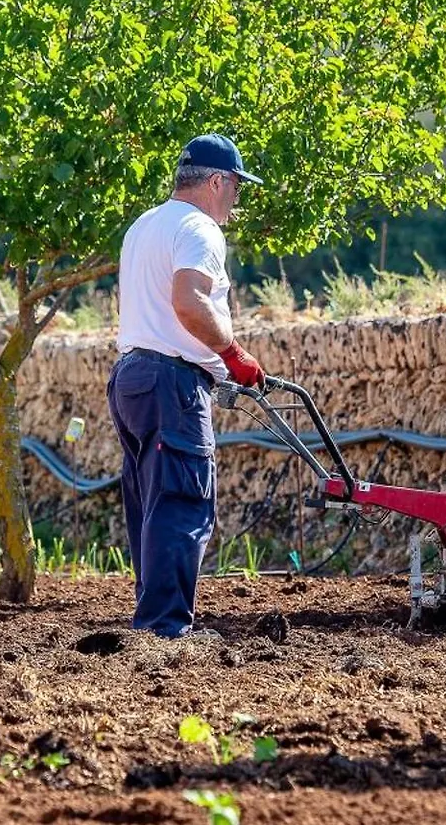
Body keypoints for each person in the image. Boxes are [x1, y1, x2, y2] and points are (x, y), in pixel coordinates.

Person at [108, 133, 267, 638]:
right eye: (237, 186)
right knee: (182, 501)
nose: (236, 199)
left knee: (152, 505)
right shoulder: (199, 227)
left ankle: (152, 622)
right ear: (217, 181)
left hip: (132, 376)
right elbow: (188, 301)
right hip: (170, 382)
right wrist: (231, 354)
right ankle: (165, 629)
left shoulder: (144, 225)